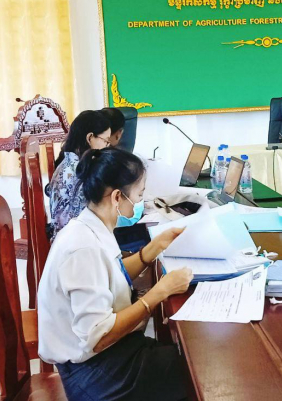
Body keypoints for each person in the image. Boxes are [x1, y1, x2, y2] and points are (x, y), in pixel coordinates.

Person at [38, 147, 192, 400]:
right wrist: (159, 292)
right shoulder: (82, 248)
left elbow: (110, 275)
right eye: (139, 195)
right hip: (91, 373)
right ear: (117, 197)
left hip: (107, 354)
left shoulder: (91, 225)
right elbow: (97, 337)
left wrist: (153, 249)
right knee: (191, 371)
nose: (141, 202)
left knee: (181, 358)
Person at [47, 110, 111, 240]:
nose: (107, 147)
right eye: (106, 141)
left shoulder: (68, 161)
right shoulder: (79, 171)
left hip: (64, 237)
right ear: (90, 138)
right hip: (73, 242)